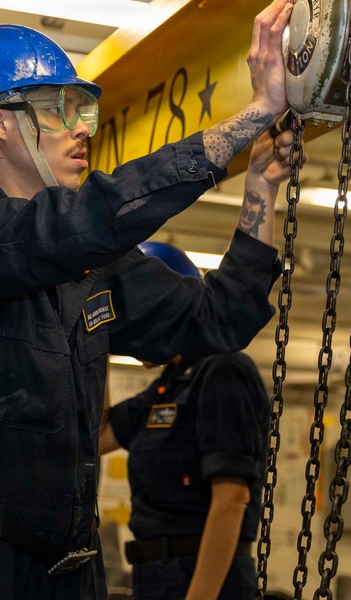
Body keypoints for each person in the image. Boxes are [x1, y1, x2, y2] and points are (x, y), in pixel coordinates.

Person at [0, 0, 296, 599]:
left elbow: (214, 319)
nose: (82, 129)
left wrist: (260, 188)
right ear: (0, 123)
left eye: (83, 109)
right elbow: (79, 223)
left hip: (75, 575)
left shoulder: (91, 264)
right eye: (59, 110)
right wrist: (252, 114)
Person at [98, 242, 269, 600]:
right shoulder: (167, 386)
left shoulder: (222, 370)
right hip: (155, 578)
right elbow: (98, 437)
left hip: (203, 580)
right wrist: (99, 342)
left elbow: (232, 499)